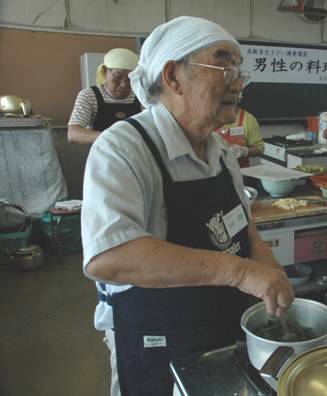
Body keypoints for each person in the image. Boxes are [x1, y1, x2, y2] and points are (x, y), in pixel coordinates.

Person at [80, 17, 294, 396]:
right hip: (156, 340)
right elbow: (109, 256)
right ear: (173, 77)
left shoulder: (220, 150)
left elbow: (243, 229)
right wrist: (242, 274)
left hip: (219, 330)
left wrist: (270, 273)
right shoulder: (123, 149)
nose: (238, 81)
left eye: (239, 69)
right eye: (224, 64)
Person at [68, 48, 140, 144]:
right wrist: (114, 138)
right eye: (117, 77)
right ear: (105, 71)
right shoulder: (89, 96)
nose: (124, 84)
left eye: (130, 78)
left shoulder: (141, 96)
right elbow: (73, 134)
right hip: (101, 155)